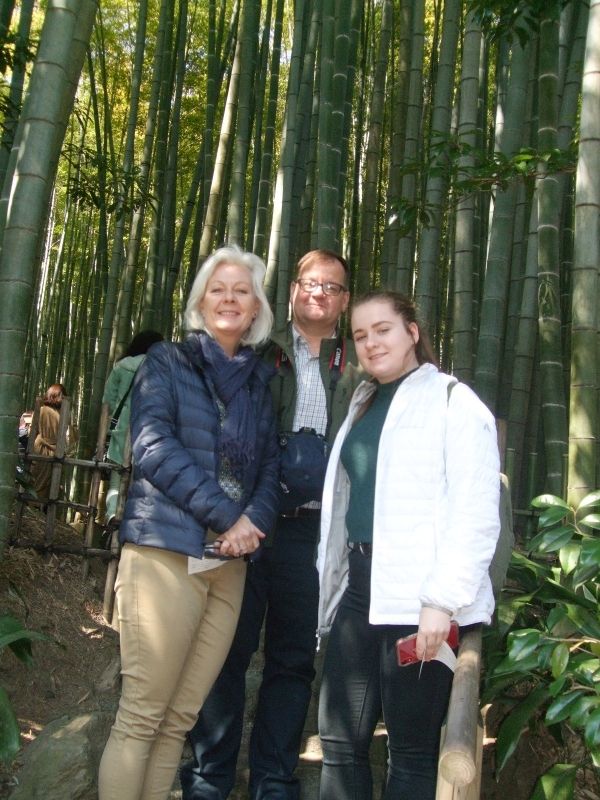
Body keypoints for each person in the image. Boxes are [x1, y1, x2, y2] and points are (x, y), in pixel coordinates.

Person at [98, 245, 280, 800]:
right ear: (200, 302)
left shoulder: (259, 383)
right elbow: (151, 446)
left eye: (241, 291)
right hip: (166, 549)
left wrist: (251, 524)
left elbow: (271, 469)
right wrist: (231, 518)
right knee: (143, 714)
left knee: (179, 718)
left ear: (256, 311)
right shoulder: (167, 363)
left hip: (227, 567)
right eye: (218, 289)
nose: (229, 298)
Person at [181, 249, 362, 800]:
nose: (318, 294)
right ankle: (209, 776)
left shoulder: (360, 362)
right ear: (291, 291)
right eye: (310, 283)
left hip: (314, 531)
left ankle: (273, 780)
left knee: (292, 660)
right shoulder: (258, 350)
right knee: (225, 651)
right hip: (247, 524)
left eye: (331, 287)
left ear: (345, 301)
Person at [316, 290, 501, 800]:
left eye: (383, 329)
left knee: (412, 753)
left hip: (421, 601)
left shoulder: (454, 400)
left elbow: (477, 510)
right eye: (359, 335)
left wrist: (441, 601)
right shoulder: (363, 401)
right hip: (359, 591)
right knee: (338, 741)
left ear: (412, 332)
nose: (370, 343)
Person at [102, 329, 164, 522]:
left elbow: (109, 401)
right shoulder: (163, 368)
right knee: (145, 480)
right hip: (151, 429)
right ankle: (139, 519)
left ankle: (113, 513)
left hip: (122, 428)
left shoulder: (122, 366)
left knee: (116, 478)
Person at [31, 384, 68, 502]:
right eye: (61, 395)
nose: (63, 398)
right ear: (54, 395)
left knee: (45, 480)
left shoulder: (61, 411)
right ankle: (34, 504)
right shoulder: (47, 410)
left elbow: (32, 429)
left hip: (46, 447)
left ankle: (37, 505)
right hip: (45, 448)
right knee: (40, 477)